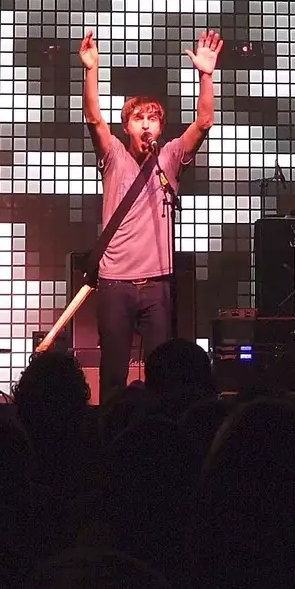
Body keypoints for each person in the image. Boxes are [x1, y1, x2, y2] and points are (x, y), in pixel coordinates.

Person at [79, 28, 222, 405]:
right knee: (114, 372)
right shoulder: (113, 156)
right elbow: (94, 119)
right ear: (127, 126)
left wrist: (206, 76)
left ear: (161, 127)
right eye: (139, 119)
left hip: (157, 282)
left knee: (163, 373)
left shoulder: (170, 157)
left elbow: (204, 122)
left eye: (153, 119)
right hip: (115, 283)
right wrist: (91, 70)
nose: (147, 125)